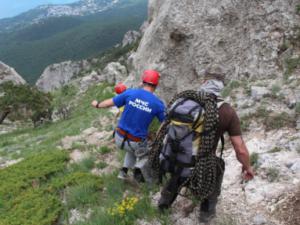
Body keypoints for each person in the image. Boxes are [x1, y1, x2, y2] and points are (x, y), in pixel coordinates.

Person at [157, 64, 255, 223]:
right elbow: (240, 148)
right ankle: (206, 213)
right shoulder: (226, 110)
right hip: (202, 164)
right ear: (223, 84)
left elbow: (165, 128)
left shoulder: (184, 101)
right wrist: (247, 166)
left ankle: (163, 204)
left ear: (204, 80)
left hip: (176, 159)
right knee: (216, 167)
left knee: (180, 170)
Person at [92, 70, 165, 182]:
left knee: (131, 148)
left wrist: (97, 104)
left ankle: (124, 171)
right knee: (151, 150)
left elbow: (109, 103)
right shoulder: (157, 104)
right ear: (156, 84)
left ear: (143, 81)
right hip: (135, 142)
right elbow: (165, 123)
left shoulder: (130, 93)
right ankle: (142, 176)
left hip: (119, 138)